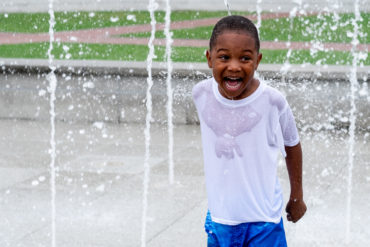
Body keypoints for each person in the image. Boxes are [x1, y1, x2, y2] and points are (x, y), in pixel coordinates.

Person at [192, 15, 307, 246]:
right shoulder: (201, 94)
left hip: (263, 221)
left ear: (257, 61)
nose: (234, 66)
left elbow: (292, 144)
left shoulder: (273, 101)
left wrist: (297, 196)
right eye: (224, 57)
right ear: (209, 58)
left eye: (245, 58)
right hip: (220, 218)